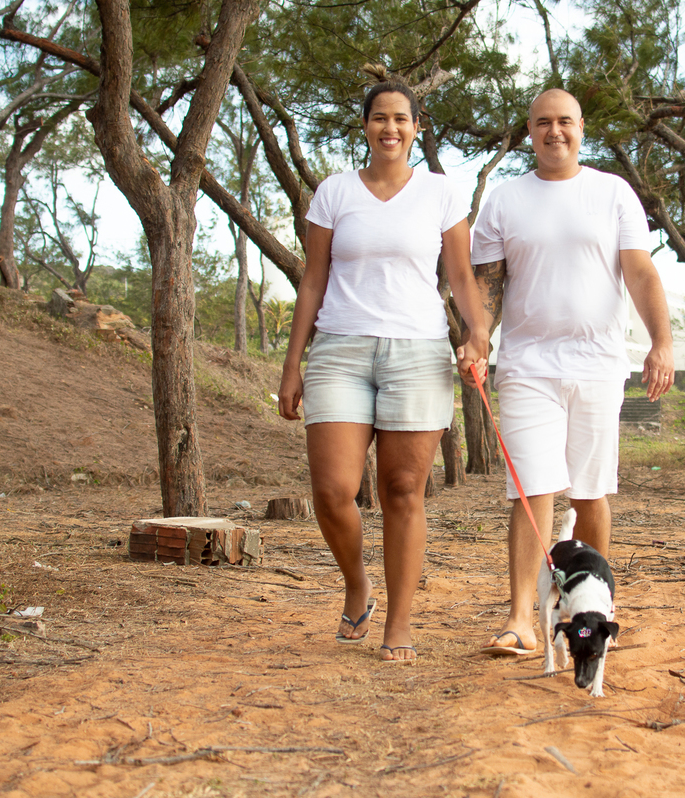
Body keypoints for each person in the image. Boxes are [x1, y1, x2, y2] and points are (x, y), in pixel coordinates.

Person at [278, 81, 490, 662]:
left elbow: (462, 276)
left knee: (402, 491)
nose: (389, 128)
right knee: (332, 491)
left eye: (401, 119)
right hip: (340, 351)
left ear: (417, 128)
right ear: (365, 126)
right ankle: (356, 583)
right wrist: (293, 363)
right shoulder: (335, 192)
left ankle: (399, 621)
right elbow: (313, 280)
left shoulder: (442, 194)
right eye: (378, 118)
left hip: (418, 353)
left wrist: (477, 332)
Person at [468, 88, 675, 656]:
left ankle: (594, 604)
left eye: (565, 122)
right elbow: (487, 283)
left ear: (581, 128)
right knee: (531, 487)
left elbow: (640, 273)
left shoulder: (612, 193)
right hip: (527, 365)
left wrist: (661, 341)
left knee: (588, 492)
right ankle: (520, 619)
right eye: (542, 123)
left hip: (598, 363)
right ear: (528, 131)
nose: (554, 131)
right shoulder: (505, 200)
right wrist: (477, 338)